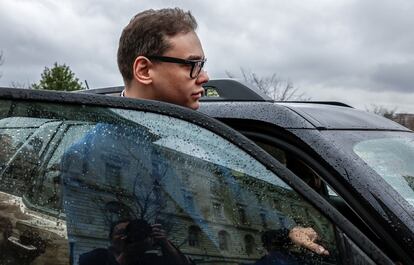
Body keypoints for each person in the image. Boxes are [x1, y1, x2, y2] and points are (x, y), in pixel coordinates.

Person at [116, 7, 329, 257]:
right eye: (193, 65)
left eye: (203, 65)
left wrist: (289, 231)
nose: (205, 76)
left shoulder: (205, 136)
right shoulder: (90, 151)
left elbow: (245, 205)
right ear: (144, 70)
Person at [79, 219, 192, 265]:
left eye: (130, 232)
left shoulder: (148, 259)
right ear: (111, 238)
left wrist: (164, 243)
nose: (126, 237)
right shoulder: (95, 257)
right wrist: (125, 255)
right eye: (121, 232)